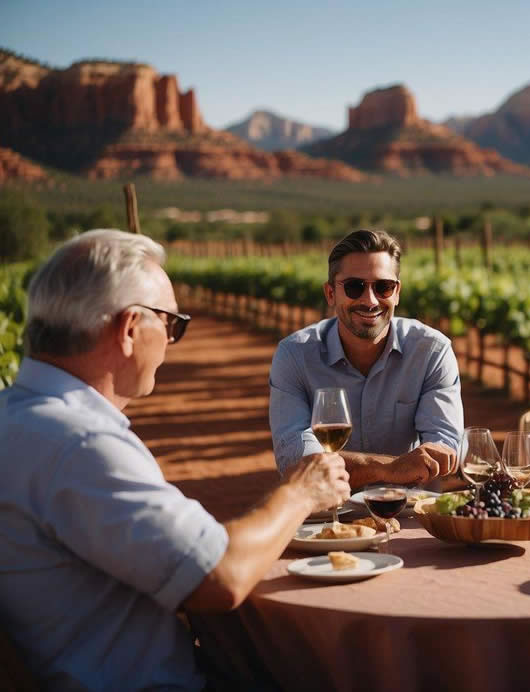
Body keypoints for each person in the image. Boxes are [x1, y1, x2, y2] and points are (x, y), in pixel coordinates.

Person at [0, 230, 351, 691]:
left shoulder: (15, 415)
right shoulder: (80, 442)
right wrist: (302, 493)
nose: (170, 342)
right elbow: (220, 576)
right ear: (129, 329)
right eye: (171, 324)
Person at [268, 229, 462, 488]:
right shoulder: (295, 356)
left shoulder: (431, 352)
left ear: (397, 293)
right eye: (354, 287)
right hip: (327, 517)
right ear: (330, 294)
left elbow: (444, 450)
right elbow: (297, 460)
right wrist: (390, 468)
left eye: (383, 287)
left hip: (405, 510)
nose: (370, 300)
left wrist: (420, 461)